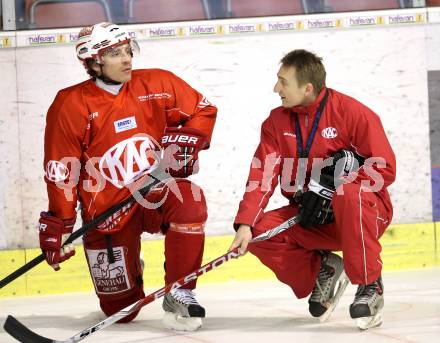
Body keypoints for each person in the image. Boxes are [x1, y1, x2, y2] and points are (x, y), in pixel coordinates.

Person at [38, 22, 217, 331]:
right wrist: (60, 224)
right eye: (114, 54)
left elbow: (202, 110)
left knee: (190, 201)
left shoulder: (158, 83)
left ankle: (180, 289)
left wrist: (186, 143)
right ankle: (131, 269)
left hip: (153, 191)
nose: (126, 60)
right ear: (93, 61)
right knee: (122, 311)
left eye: (127, 51)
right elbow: (62, 170)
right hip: (107, 212)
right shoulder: (70, 105)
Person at [229, 49, 396, 330]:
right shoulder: (275, 123)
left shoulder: (352, 113)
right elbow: (262, 175)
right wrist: (245, 223)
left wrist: (338, 184)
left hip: (363, 213)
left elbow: (386, 167)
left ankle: (370, 286)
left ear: (307, 88)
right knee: (258, 234)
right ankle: (324, 269)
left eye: (283, 82)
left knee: (348, 194)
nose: (275, 88)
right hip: (311, 216)